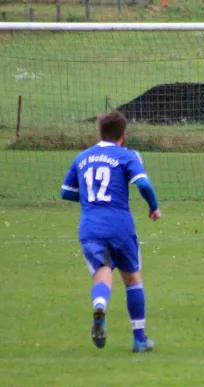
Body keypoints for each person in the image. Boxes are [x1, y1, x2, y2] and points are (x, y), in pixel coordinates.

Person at [60, 110, 160, 352]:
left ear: (100, 132)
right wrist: (154, 207)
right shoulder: (127, 155)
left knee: (103, 272)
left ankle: (100, 304)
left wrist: (90, 202)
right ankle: (139, 339)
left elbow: (66, 192)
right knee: (132, 278)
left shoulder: (82, 157)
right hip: (120, 225)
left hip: (90, 227)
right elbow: (143, 183)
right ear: (123, 135)